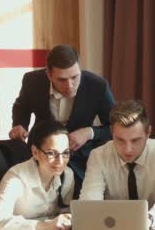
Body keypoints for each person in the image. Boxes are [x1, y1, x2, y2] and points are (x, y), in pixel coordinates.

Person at [10, 44, 115, 197]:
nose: (70, 85)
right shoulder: (32, 81)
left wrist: (89, 132)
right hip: (40, 154)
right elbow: (21, 106)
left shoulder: (97, 85)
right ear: (49, 75)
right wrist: (19, 124)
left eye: (75, 77)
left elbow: (116, 126)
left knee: (81, 202)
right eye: (62, 80)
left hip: (79, 157)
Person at [79, 100, 155, 227]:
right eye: (120, 140)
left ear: (148, 133)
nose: (128, 149)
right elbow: (89, 202)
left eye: (135, 140)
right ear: (112, 132)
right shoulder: (98, 156)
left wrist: (148, 219)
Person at [0, 121, 74, 230]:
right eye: (52, 153)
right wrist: (45, 226)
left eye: (65, 153)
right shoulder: (16, 177)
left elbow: (65, 210)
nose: (61, 161)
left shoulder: (67, 175)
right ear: (35, 152)